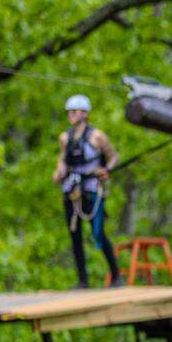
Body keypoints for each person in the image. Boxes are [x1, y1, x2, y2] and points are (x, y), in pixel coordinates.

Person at [52, 94, 123, 289]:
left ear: (84, 113)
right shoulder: (64, 138)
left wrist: (106, 169)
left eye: (74, 111)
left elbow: (114, 157)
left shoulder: (97, 136)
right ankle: (83, 280)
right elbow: (62, 160)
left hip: (92, 188)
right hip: (72, 188)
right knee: (75, 235)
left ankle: (116, 276)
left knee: (98, 233)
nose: (71, 115)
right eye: (69, 112)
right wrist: (58, 172)